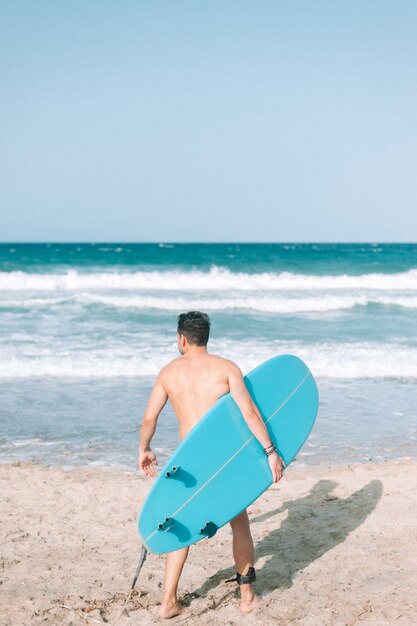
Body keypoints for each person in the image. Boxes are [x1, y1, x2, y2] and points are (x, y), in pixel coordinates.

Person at [138, 311, 285, 618]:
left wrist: (145, 449)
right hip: (220, 463)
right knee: (239, 523)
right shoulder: (226, 368)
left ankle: (168, 602)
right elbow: (249, 414)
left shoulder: (168, 373)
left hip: (188, 465)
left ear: (181, 338)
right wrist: (270, 450)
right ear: (205, 337)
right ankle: (247, 599)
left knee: (182, 525)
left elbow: (150, 417)